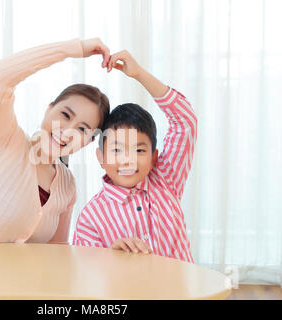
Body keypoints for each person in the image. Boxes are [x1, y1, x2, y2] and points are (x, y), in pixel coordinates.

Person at [0, 38, 110, 245]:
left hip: (12, 278)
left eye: (82, 129)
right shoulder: (5, 140)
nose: (67, 132)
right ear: (49, 109)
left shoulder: (67, 186)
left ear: (87, 142)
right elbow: (0, 77)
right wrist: (73, 49)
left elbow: (55, 255)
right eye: (65, 115)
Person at [72, 50, 197, 263]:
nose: (127, 159)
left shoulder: (166, 180)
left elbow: (185, 121)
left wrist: (139, 74)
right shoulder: (91, 217)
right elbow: (87, 276)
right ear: (100, 157)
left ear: (154, 157)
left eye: (139, 150)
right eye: (117, 150)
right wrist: (111, 256)